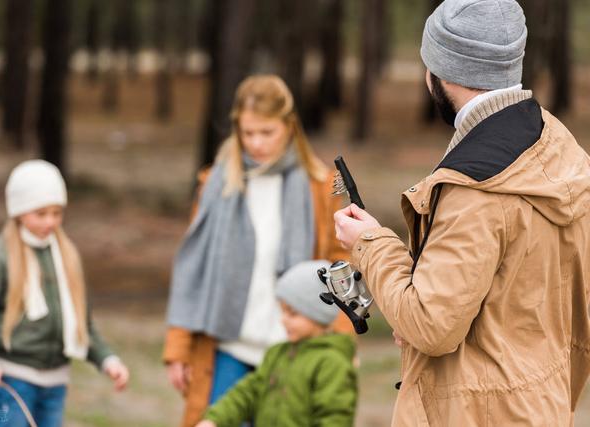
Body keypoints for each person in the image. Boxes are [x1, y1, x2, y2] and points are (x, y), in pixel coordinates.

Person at [334, 0, 590, 425]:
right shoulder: (559, 147)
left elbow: (430, 326)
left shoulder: (475, 186)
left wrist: (370, 244)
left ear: (441, 72)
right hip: (540, 404)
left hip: (476, 413)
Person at [163, 75, 352, 427]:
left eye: (267, 132)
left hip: (294, 346)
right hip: (226, 347)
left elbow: (341, 265)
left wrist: (340, 335)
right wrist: (178, 348)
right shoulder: (215, 184)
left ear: (289, 126)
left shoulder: (320, 186)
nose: (257, 143)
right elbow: (193, 267)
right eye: (247, 133)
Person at [0, 160, 129, 427]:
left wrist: (107, 359)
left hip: (56, 384)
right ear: (18, 211)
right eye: (40, 213)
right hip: (12, 382)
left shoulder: (67, 255)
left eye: (56, 213)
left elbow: (81, 324)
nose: (50, 221)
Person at [195, 260, 357, 427]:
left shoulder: (332, 363)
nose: (283, 320)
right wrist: (214, 419)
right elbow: (247, 393)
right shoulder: (277, 354)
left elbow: (335, 418)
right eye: (283, 311)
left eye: (292, 314)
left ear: (318, 314)